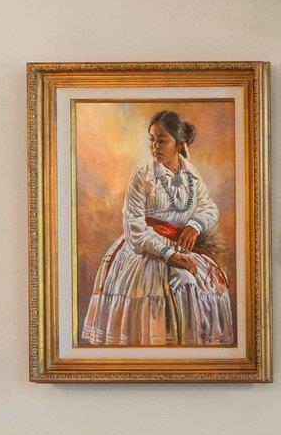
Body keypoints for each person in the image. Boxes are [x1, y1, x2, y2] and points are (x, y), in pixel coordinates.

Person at [80, 109, 234, 347]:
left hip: (182, 245)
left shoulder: (191, 175)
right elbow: (134, 225)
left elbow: (209, 207)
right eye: (152, 139)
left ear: (179, 143)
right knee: (174, 289)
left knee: (200, 285)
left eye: (162, 140)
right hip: (146, 249)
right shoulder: (143, 175)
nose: (155, 146)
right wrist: (168, 254)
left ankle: (191, 356)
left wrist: (194, 225)